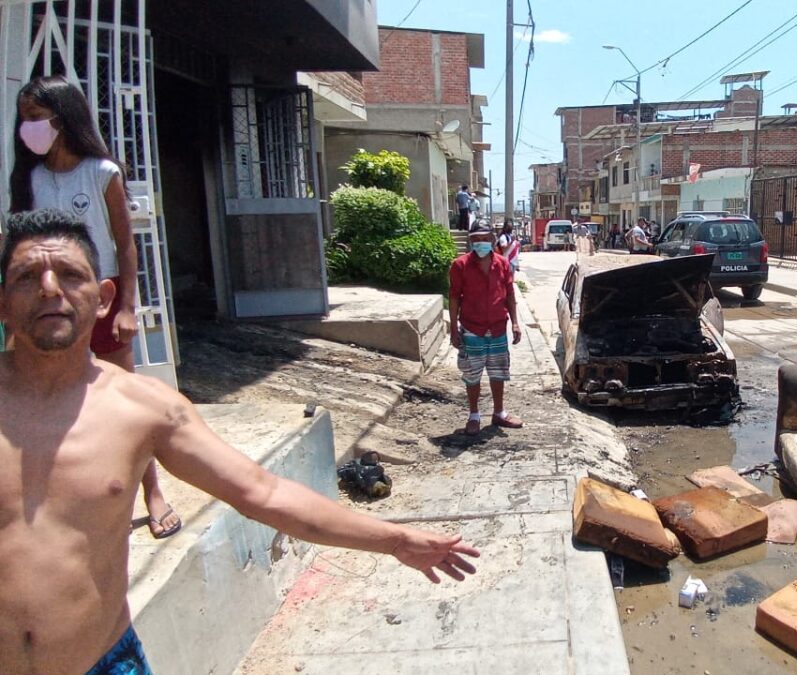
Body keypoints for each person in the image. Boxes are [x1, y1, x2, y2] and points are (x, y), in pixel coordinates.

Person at [0, 210, 480, 675]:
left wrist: (394, 540)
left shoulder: (145, 408)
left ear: (104, 297)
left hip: (104, 663)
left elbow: (263, 493)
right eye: (26, 277)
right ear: (2, 300)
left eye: (69, 274)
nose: (49, 290)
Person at [8, 75, 180, 540]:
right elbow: (20, 242)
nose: (27, 129)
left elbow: (126, 245)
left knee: (122, 400)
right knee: (43, 398)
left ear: (62, 120)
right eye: (24, 120)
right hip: (47, 303)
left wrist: (126, 305)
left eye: (35, 119)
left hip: (98, 299)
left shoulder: (102, 172)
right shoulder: (29, 176)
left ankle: (152, 492)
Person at [448, 222, 524, 435]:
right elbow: (454, 298)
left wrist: (516, 323)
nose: (481, 242)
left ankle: (499, 413)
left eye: (484, 238)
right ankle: (474, 415)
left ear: (492, 238)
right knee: (472, 374)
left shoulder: (502, 263)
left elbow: (509, 294)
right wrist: (453, 329)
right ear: (471, 241)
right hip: (472, 329)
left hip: (498, 327)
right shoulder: (460, 265)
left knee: (498, 372)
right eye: (476, 239)